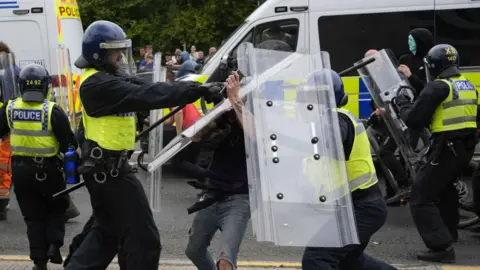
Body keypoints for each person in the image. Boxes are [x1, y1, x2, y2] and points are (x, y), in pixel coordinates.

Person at [63, 20, 219, 270]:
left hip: (109, 170)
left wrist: (199, 89)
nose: (121, 56)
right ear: (99, 53)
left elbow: (148, 87)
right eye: (116, 51)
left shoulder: (109, 77)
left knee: (107, 233)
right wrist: (196, 92)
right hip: (110, 173)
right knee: (143, 240)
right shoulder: (97, 84)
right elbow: (149, 95)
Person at [302, 70, 396, 270]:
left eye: (310, 95)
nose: (304, 101)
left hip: (362, 207)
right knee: (349, 261)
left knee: (317, 257)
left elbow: (334, 138)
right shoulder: (320, 122)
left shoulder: (336, 119)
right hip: (353, 207)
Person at [395, 44, 478, 263]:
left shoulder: (438, 87)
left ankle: (441, 247)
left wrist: (401, 103)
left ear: (433, 66)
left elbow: (413, 119)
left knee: (420, 197)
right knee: (445, 189)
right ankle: (449, 233)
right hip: (465, 149)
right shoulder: (467, 85)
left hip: (446, 147)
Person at [0, 63, 76, 269]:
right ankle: (53, 245)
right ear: (45, 87)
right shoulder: (52, 110)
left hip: (21, 170)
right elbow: (68, 142)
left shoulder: (9, 107)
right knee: (56, 209)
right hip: (48, 170)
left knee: (32, 217)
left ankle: (39, 262)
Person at [184, 71, 250, 270]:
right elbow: (196, 136)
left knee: (226, 261)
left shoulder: (258, 117)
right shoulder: (227, 114)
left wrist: (236, 101)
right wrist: (216, 109)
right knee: (194, 250)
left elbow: (256, 135)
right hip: (213, 192)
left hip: (239, 198)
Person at [398, 28, 434, 94]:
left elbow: (428, 88)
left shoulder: (430, 60)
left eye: (411, 40)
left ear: (420, 42)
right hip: (406, 98)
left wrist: (410, 76)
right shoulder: (404, 59)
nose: (408, 42)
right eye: (408, 39)